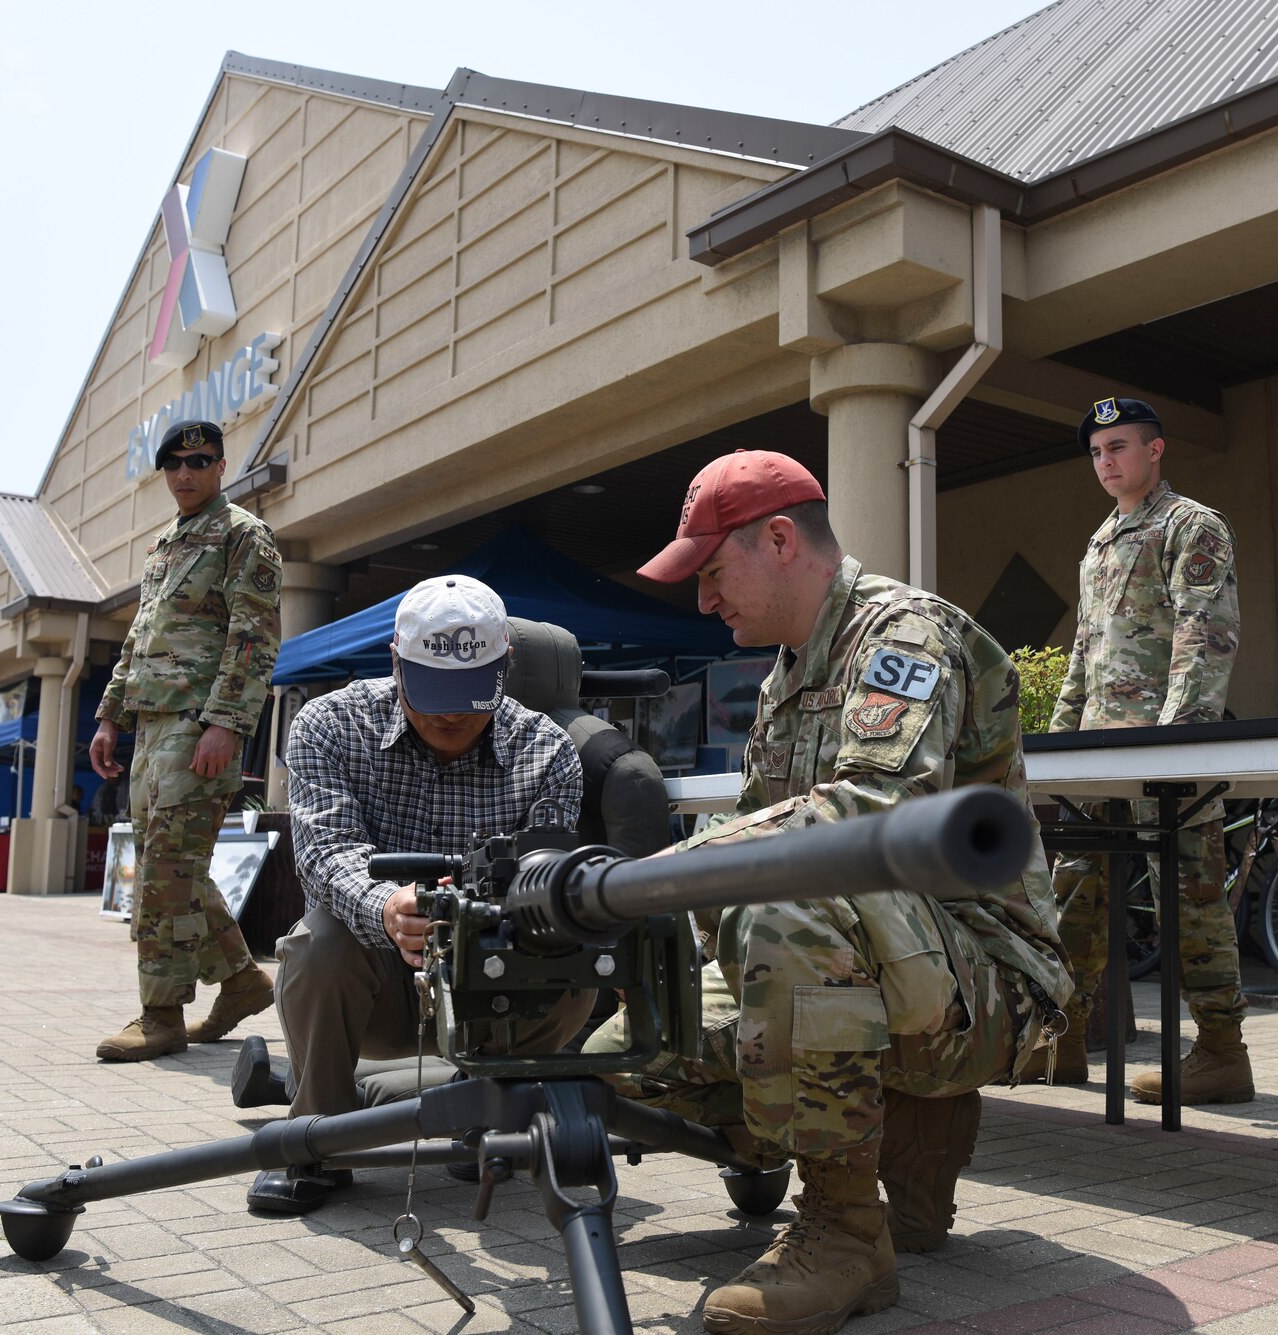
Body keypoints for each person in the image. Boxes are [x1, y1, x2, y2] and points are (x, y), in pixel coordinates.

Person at [607, 450, 1072, 1335]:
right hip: (892, 969)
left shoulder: (905, 634)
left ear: (780, 538)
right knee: (626, 1041)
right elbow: (751, 843)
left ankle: (845, 1225)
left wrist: (645, 881)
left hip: (990, 981)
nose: (703, 600)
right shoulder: (787, 677)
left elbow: (870, 817)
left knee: (787, 904)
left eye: (712, 572)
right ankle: (896, 1129)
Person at [251, 575, 590, 1213]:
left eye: (469, 695)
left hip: (490, 979)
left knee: (574, 976)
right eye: (430, 691)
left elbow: (544, 878)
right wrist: (385, 908)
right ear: (396, 663)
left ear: (504, 667)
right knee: (318, 942)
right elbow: (324, 855)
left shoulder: (547, 751)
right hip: (372, 981)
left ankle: (484, 1107)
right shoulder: (328, 725)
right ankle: (315, 1138)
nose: (449, 714)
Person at [1036, 397, 1249, 1103]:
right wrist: (1061, 748)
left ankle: (1221, 1052)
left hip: (1163, 754)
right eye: (1097, 452)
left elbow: (1203, 633)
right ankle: (1063, 1042)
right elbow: (1085, 655)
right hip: (1101, 758)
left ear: (1155, 450)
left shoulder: (1192, 526)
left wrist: (1175, 740)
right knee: (1075, 896)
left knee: (1188, 900)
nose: (1106, 462)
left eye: (1119, 447)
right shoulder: (1099, 542)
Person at [90, 419, 283, 1062]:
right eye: (173, 464)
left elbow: (253, 639)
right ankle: (241, 979)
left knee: (165, 873)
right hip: (150, 725)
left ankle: (161, 1013)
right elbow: (140, 636)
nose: (184, 474)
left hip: (197, 725)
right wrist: (109, 716)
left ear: (221, 466)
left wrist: (226, 723)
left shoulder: (242, 535)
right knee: (164, 868)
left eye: (198, 462)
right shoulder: (164, 543)